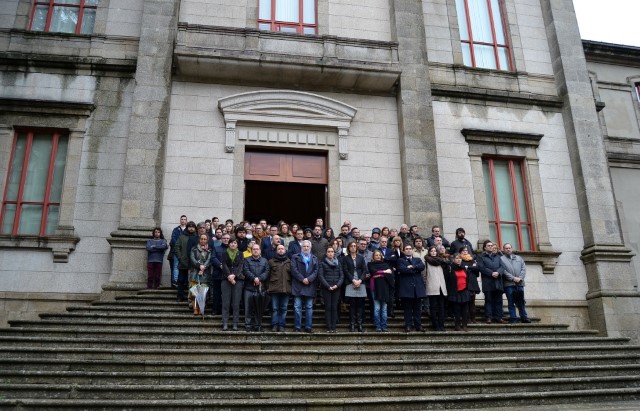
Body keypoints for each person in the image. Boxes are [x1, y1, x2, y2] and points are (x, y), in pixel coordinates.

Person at [444, 253, 481, 331]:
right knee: (457, 310)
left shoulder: (464, 268)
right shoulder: (450, 268)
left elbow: (467, 279)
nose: (458, 260)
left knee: (465, 310)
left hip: (464, 291)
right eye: (457, 258)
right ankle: (457, 325)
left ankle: (464, 325)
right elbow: (447, 281)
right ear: (453, 259)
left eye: (460, 258)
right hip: (455, 292)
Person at [397, 243, 426, 332]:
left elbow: (422, 266)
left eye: (410, 249)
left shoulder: (417, 259)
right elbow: (402, 269)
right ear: (404, 250)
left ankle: (418, 325)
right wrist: (414, 269)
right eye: (407, 249)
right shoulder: (401, 260)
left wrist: (412, 267)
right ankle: (408, 325)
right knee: (407, 309)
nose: (409, 250)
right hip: (406, 288)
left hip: (417, 288)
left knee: (417, 308)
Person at [291, 240, 318, 333]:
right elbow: (294, 270)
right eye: (304, 246)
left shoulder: (314, 258)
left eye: (307, 247)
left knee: (309, 307)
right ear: (301, 248)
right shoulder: (295, 257)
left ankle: (308, 327)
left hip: (309, 286)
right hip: (298, 285)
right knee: (297, 307)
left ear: (310, 248)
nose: (306, 248)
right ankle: (297, 327)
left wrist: (308, 279)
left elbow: (316, 271)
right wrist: (302, 279)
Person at [477, 240, 506, 324]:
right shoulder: (481, 257)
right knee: (488, 300)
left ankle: (499, 317)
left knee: (498, 300)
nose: (490, 247)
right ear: (485, 247)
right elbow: (481, 268)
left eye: (491, 245)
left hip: (497, 281)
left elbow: (503, 266)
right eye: (488, 245)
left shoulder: (498, 256)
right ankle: (489, 317)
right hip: (488, 282)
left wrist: (498, 272)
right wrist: (491, 273)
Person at [500, 243, 531, 323]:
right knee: (511, 302)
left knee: (521, 301)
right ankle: (513, 318)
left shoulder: (519, 258)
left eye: (509, 248)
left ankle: (524, 317)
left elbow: (523, 269)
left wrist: (520, 278)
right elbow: (503, 271)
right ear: (503, 250)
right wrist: (513, 278)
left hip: (519, 284)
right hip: (509, 284)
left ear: (512, 249)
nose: (508, 249)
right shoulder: (501, 259)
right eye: (506, 248)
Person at [242, 243, 270, 332]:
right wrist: (254, 278)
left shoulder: (265, 261)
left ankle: (258, 325)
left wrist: (259, 279)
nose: (255, 250)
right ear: (251, 250)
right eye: (254, 249)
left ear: (260, 251)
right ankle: (248, 325)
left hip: (260, 288)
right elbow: (245, 270)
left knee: (259, 307)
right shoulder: (246, 260)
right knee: (248, 307)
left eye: (257, 249)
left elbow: (267, 271)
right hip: (249, 287)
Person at [342, 240, 368, 332]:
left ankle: (360, 324)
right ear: (349, 248)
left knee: (360, 305)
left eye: (354, 246)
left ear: (356, 247)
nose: (353, 247)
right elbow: (345, 271)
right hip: (350, 282)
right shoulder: (345, 258)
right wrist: (353, 280)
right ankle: (352, 324)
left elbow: (364, 270)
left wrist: (360, 280)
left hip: (360, 282)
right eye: (351, 246)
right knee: (352, 305)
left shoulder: (361, 258)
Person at [318, 246, 344, 333]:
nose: (330, 253)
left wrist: (337, 285)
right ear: (326, 253)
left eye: (332, 251)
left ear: (334, 253)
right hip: (326, 288)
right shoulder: (322, 263)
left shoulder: (338, 263)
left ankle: (334, 327)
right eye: (328, 252)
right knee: (328, 307)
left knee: (334, 307)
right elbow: (321, 276)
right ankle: (329, 327)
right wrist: (328, 286)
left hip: (336, 288)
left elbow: (342, 276)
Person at [221, 237, 244, 331]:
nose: (233, 244)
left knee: (236, 303)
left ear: (237, 244)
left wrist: (234, 275)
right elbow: (224, 265)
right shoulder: (224, 253)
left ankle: (235, 323)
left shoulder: (241, 253)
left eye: (235, 243)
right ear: (228, 244)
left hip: (237, 280)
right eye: (231, 243)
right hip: (226, 279)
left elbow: (241, 265)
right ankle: (225, 323)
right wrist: (229, 276)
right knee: (226, 303)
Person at [368, 249, 393, 332]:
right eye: (376, 255)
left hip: (385, 288)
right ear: (373, 257)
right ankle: (378, 326)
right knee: (377, 308)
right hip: (375, 288)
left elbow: (389, 275)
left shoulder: (385, 264)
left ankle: (384, 326)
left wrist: (378, 274)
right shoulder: (370, 264)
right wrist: (384, 272)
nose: (378, 256)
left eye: (379, 255)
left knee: (384, 309)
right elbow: (373, 272)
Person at [268, 244, 292, 332]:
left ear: (285, 251)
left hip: (286, 288)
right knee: (274, 308)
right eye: (279, 249)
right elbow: (267, 276)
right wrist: (267, 287)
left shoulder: (289, 262)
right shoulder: (271, 262)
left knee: (284, 308)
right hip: (274, 288)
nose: (281, 250)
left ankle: (281, 325)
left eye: (282, 249)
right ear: (276, 251)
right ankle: (274, 325)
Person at [424, 246, 448, 331]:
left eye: (435, 251)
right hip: (432, 286)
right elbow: (425, 274)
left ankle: (442, 325)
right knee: (433, 307)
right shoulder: (426, 261)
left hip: (441, 287)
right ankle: (435, 325)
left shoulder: (441, 261)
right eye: (432, 251)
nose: (433, 252)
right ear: (429, 252)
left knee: (441, 307)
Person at [189, 233, 212, 315]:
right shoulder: (194, 249)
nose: (203, 240)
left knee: (202, 292)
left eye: (205, 239)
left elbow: (209, 260)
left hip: (205, 274)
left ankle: (201, 307)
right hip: (195, 273)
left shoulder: (209, 250)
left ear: (207, 240)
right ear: (199, 239)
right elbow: (192, 259)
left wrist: (203, 267)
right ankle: (195, 308)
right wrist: (199, 266)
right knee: (194, 292)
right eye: (201, 239)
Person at [174, 221, 197, 302]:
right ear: (187, 228)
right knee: (181, 280)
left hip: (194, 264)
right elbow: (177, 247)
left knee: (193, 281)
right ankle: (180, 296)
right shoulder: (182, 237)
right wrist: (180, 258)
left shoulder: (197, 237)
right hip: (183, 262)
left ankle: (192, 298)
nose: (191, 228)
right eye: (189, 227)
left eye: (193, 227)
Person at [459, 246, 480, 323]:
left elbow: (477, 268)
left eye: (466, 250)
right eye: (463, 250)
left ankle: (473, 318)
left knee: (472, 302)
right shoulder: (460, 260)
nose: (465, 252)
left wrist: (468, 267)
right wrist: (470, 268)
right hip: (464, 283)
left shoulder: (472, 260)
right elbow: (461, 267)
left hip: (472, 283)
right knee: (465, 302)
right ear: (460, 252)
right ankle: (466, 318)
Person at [169, 215, 187, 287]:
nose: (183, 220)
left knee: (185, 266)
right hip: (177, 251)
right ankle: (176, 281)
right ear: (180, 220)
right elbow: (174, 240)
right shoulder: (176, 229)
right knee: (176, 266)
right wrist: (179, 247)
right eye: (182, 219)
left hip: (185, 252)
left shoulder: (187, 230)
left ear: (186, 221)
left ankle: (185, 282)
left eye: (184, 219)